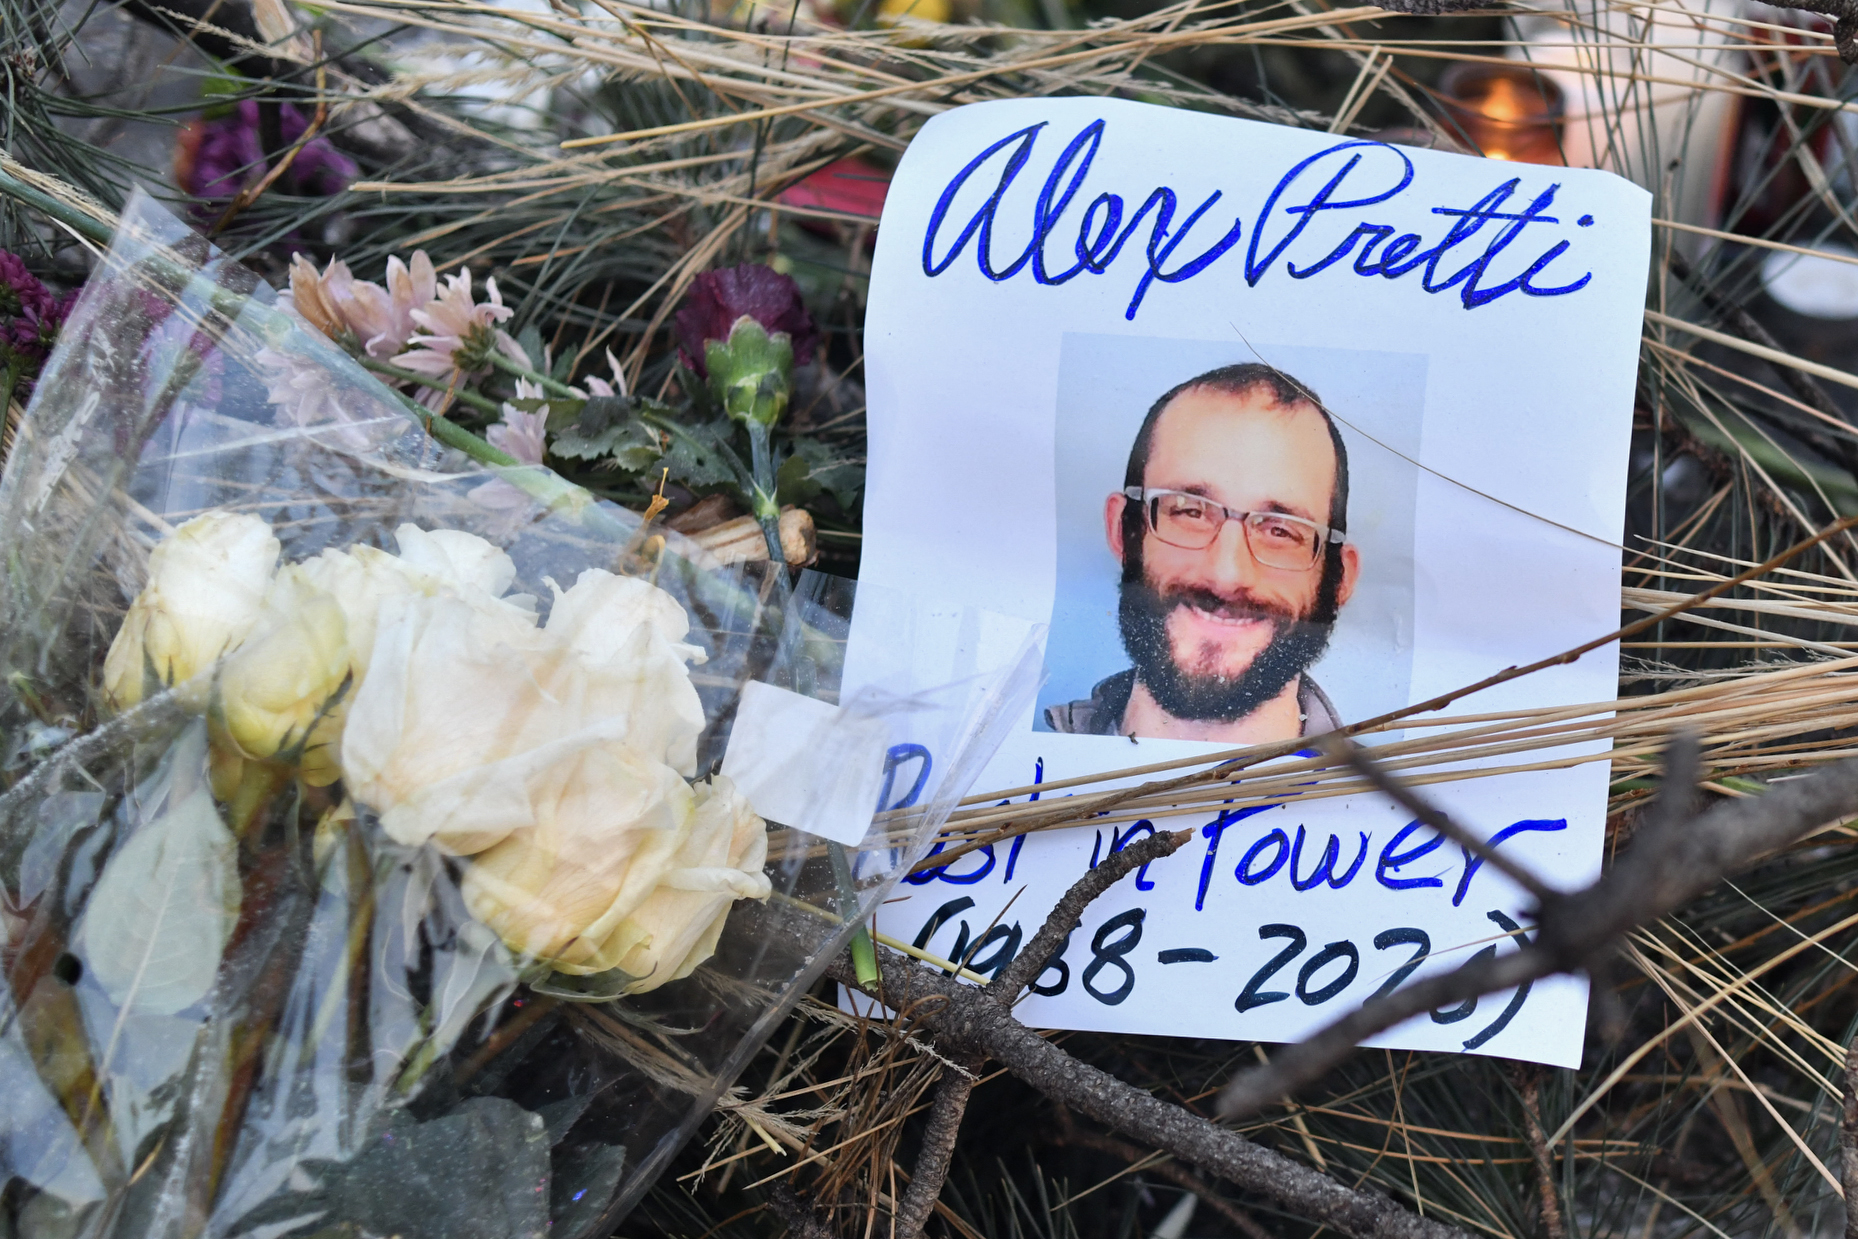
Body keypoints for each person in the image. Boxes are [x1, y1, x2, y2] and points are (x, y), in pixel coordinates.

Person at [1044, 363, 1360, 742]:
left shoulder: (1382, 799)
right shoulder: (998, 760)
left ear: (1339, 578)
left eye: (1280, 530)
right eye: (1189, 511)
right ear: (1124, 533)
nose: (1226, 575)